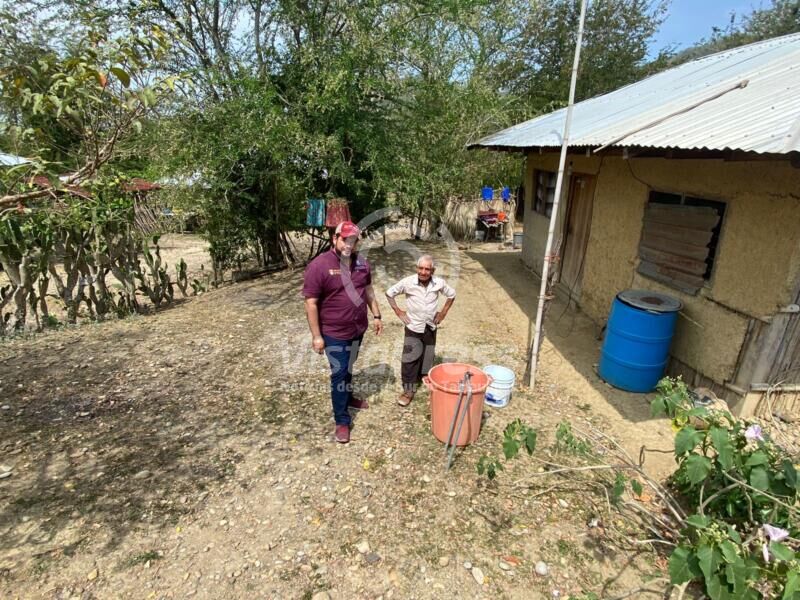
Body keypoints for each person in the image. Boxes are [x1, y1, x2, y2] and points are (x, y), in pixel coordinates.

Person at [303, 220, 383, 443]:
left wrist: (376, 315)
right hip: (334, 332)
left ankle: (347, 398)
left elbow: (368, 290)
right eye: (344, 239)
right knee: (339, 374)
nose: (349, 243)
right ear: (334, 239)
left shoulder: (362, 264)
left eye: (353, 240)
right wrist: (317, 336)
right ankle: (342, 421)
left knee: (349, 366)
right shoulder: (319, 265)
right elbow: (311, 303)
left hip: (357, 329)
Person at [385, 255, 455, 406]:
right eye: (421, 268)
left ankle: (424, 376)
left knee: (428, 353)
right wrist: (398, 311)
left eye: (427, 269)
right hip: (413, 326)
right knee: (410, 358)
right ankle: (408, 390)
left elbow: (452, 295)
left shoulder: (439, 283)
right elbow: (389, 293)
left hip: (430, 325)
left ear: (432, 270)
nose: (423, 272)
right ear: (417, 268)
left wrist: (443, 313)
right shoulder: (408, 282)